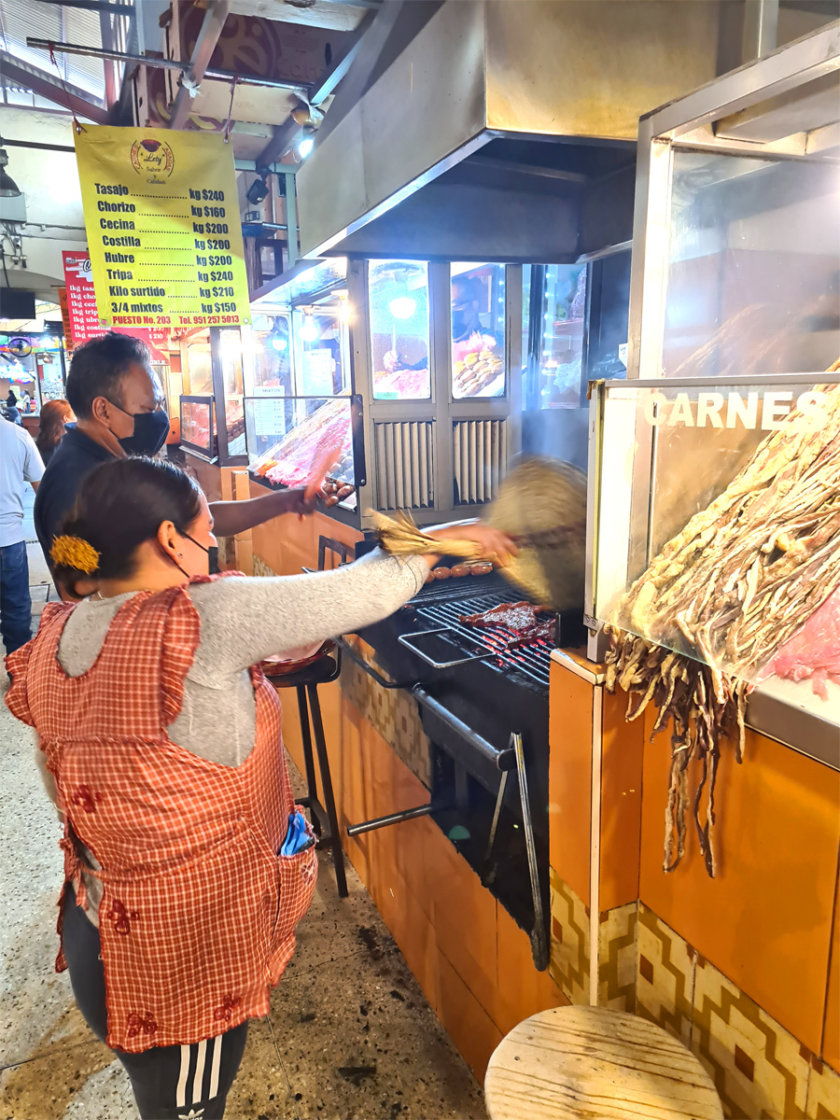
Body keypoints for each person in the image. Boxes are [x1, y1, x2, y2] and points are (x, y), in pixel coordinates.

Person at [5, 455, 515, 1120]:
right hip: (180, 956)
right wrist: (452, 538)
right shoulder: (203, 618)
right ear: (168, 540)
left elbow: (57, 780)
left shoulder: (56, 633)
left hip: (96, 927)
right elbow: (365, 593)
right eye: (205, 530)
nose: (211, 545)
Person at [34, 332, 323, 586]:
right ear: (103, 410)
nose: (159, 418)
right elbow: (84, 597)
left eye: (160, 404)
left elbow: (194, 519)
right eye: (149, 407)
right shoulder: (76, 488)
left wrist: (284, 500)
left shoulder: (115, 462)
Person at [0, 413, 44, 654]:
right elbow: (43, 487)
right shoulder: (18, 435)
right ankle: (18, 673)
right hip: (8, 539)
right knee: (16, 610)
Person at [35, 398, 75, 466]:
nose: (76, 419)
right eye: (74, 415)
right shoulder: (64, 451)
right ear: (66, 419)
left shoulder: (38, 447)